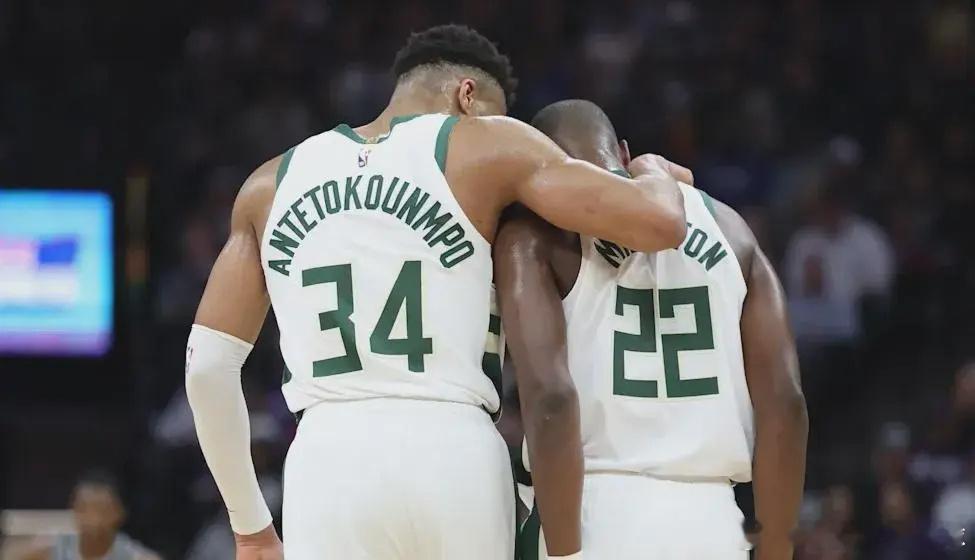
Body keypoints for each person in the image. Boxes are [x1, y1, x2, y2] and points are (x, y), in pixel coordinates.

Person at [185, 25, 689, 560]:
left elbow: (207, 369)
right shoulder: (488, 144)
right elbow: (658, 223)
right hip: (451, 447)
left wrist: (251, 528)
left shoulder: (269, 184)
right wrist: (654, 171)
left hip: (325, 464)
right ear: (466, 95)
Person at [494, 99, 808, 560]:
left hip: (593, 511)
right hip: (713, 522)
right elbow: (786, 404)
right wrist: (776, 548)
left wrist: (566, 554)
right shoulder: (732, 230)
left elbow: (552, 399)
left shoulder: (538, 234)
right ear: (623, 152)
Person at [21, 471, 159, 560]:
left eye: (102, 511)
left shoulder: (137, 557)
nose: (92, 519)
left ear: (119, 513)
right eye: (83, 509)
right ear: (73, 510)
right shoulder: (47, 550)